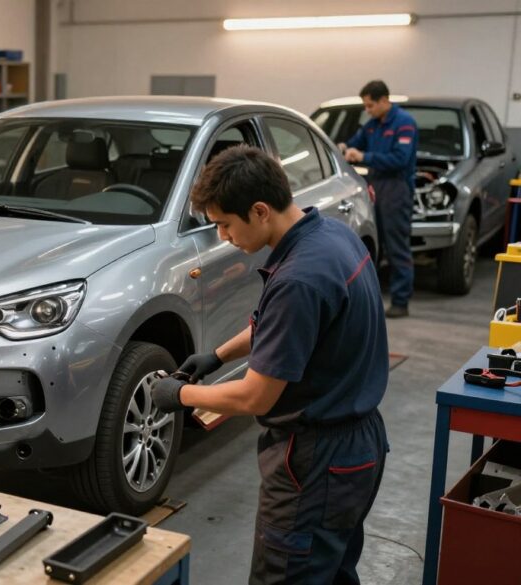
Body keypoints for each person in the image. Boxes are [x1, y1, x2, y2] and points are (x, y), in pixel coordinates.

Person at [151, 145, 389, 585]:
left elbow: (254, 395)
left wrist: (179, 395)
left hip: (317, 460)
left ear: (259, 210)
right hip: (359, 448)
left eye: (224, 224)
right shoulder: (332, 237)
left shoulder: (300, 278)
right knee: (333, 573)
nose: (222, 236)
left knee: (285, 577)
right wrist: (218, 355)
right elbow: (284, 328)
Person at [341, 80, 418, 318]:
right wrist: (344, 146)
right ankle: (373, 298)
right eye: (365, 106)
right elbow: (355, 143)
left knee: (397, 247)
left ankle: (400, 301)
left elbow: (400, 159)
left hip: (396, 188)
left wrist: (364, 156)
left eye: (370, 105)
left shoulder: (405, 123)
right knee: (377, 244)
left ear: (384, 100)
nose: (367, 111)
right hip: (376, 186)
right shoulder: (373, 125)